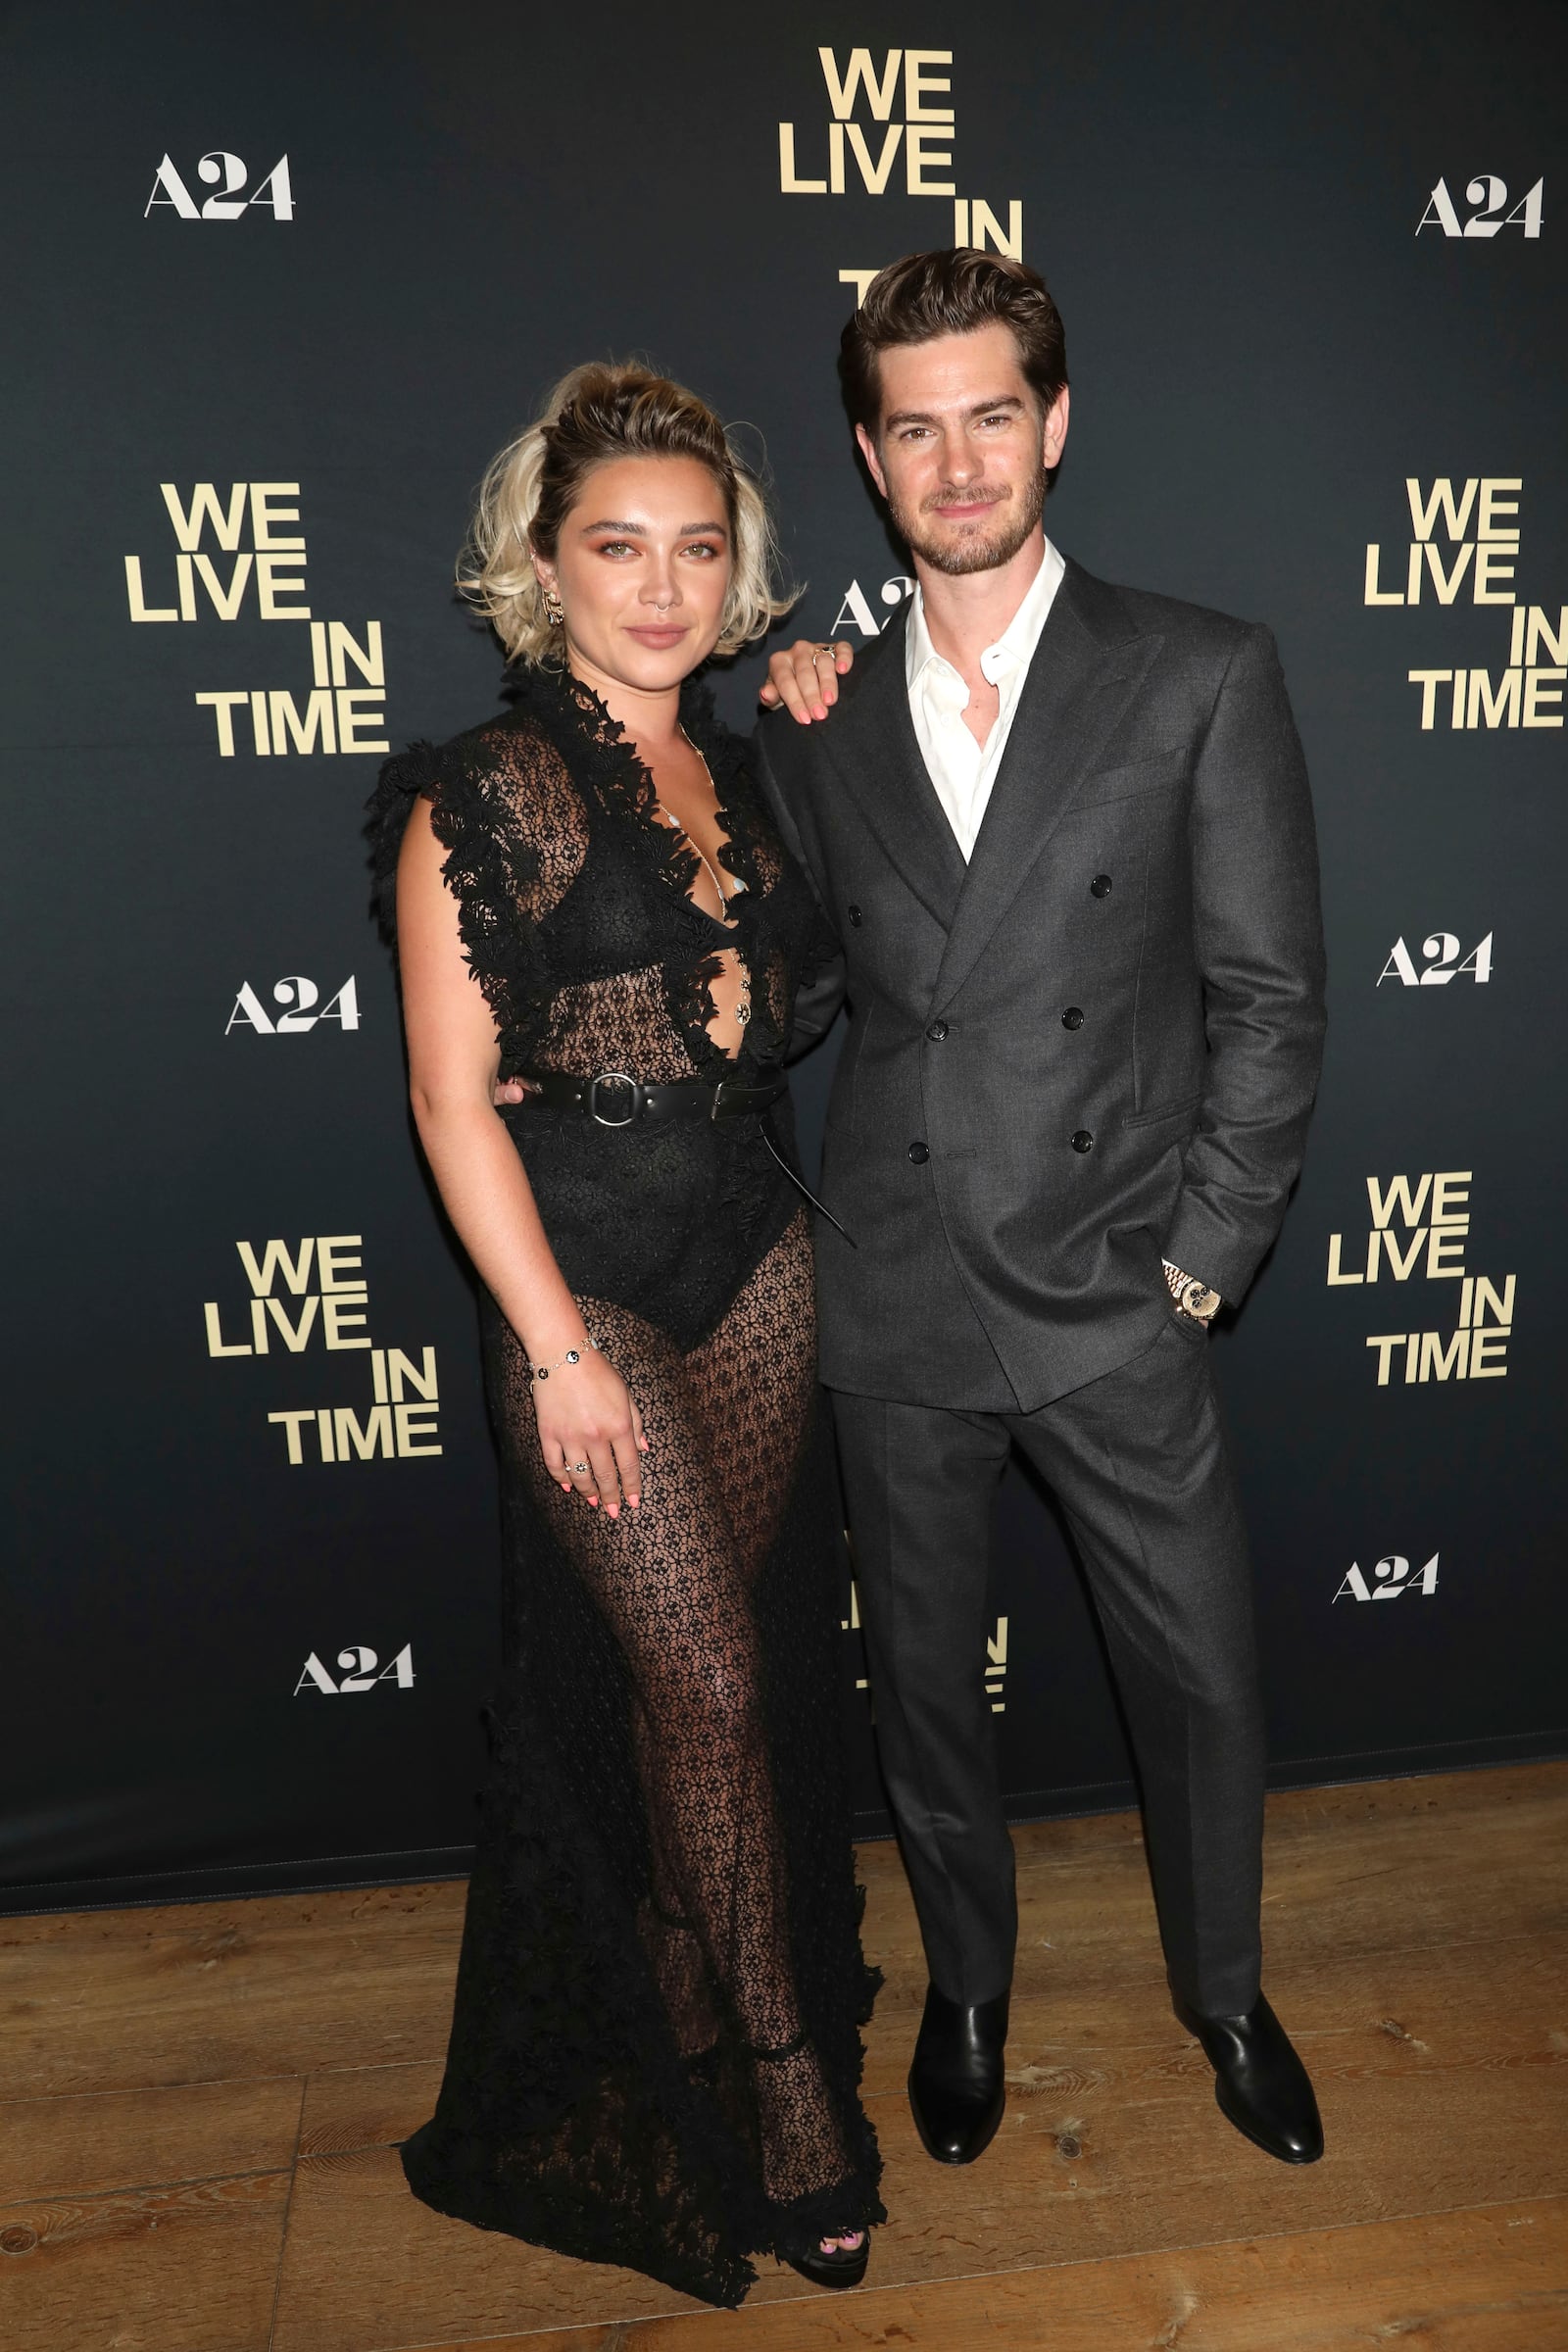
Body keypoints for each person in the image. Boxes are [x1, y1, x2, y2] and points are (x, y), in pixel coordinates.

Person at [756, 248, 1328, 2175]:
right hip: (899, 1282)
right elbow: (815, 989)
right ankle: (966, 1988)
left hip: (1107, 1285)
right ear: (867, 457)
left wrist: (1200, 1262)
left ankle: (1226, 1995)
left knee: (1201, 1673)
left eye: (989, 413)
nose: (957, 459)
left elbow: (1265, 996)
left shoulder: (1196, 670)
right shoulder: (812, 715)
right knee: (920, 1683)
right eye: (912, 427)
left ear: (1053, 424)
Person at [368, 364, 883, 2309]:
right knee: (715, 1691)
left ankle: (682, 1991)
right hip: (576, 1284)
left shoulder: (763, 770)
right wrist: (555, 1354)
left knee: (716, 1690)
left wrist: (825, 701)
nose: (659, 589)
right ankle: (778, 2085)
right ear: (540, 563)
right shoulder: (474, 792)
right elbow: (446, 1100)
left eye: (695, 550)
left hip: (758, 1254)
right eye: (616, 549)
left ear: (736, 570)